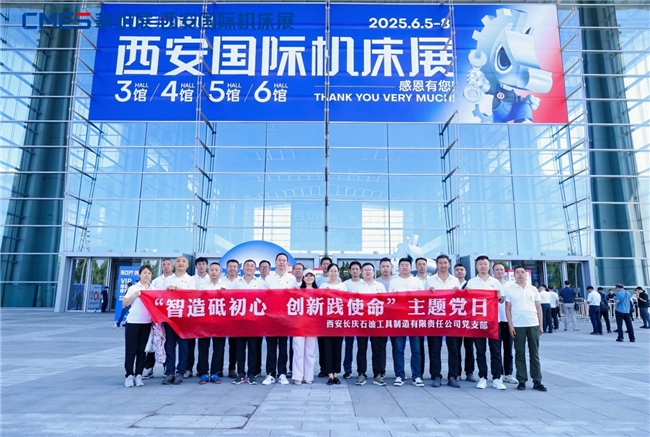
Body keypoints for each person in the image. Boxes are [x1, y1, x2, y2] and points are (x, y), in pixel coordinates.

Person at [466, 256, 506, 390]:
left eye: (485, 264)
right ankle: (482, 377)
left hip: (493, 321)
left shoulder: (495, 282)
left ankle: (497, 378)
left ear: (489, 266)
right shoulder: (471, 282)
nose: (483, 266)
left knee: (496, 350)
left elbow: (502, 299)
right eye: (480, 264)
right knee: (480, 350)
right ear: (476, 266)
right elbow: (467, 301)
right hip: (478, 321)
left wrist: (500, 297)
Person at [504, 266, 547, 392]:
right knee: (519, 353)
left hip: (533, 323)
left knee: (534, 353)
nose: (520, 274)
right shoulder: (509, 289)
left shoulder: (533, 289)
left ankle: (537, 380)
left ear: (526, 274)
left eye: (522, 272)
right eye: (517, 272)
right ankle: (522, 380)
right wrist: (510, 325)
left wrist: (541, 325)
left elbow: (538, 308)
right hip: (518, 325)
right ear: (514, 275)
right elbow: (508, 308)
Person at [347, 263, 388, 386]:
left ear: (374, 272)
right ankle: (361, 374)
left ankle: (378, 374)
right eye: (365, 270)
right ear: (362, 272)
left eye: (370, 269)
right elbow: (352, 304)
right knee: (361, 349)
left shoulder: (380, 286)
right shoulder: (356, 287)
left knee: (377, 349)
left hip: (377, 323)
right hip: (362, 323)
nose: (368, 272)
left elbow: (386, 304)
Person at [158, 256, 194, 385]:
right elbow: (160, 297)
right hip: (169, 317)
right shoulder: (167, 280)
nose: (181, 263)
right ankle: (169, 372)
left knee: (184, 347)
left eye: (184, 262)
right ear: (174, 265)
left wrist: (177, 289)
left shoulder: (191, 280)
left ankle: (180, 372)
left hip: (184, 318)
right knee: (169, 346)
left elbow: (193, 295)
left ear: (187, 265)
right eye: (178, 261)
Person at [388, 258, 424, 387]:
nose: (404, 267)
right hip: (399, 320)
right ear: (398, 267)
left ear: (411, 267)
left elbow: (423, 299)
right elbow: (390, 300)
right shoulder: (394, 282)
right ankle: (399, 375)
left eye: (407, 265)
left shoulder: (417, 281)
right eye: (402, 265)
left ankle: (416, 376)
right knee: (398, 349)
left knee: (416, 350)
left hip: (414, 320)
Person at [426, 255, 461, 388]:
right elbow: (424, 299)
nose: (443, 265)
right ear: (437, 265)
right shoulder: (430, 280)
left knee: (454, 349)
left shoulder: (455, 280)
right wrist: (429, 292)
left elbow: (461, 299)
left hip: (452, 320)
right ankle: (436, 375)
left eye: (445, 263)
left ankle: (452, 376)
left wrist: (459, 292)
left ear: (449, 264)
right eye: (440, 263)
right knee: (435, 349)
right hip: (435, 320)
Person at [263, 253, 298, 385]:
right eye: (279, 260)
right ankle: (270, 373)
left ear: (287, 263)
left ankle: (282, 373)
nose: (282, 262)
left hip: (285, 318)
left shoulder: (292, 278)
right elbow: (263, 296)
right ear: (275, 262)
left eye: (284, 260)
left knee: (283, 347)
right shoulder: (269, 278)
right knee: (271, 346)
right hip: (271, 317)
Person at [234, 259, 267, 385]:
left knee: (253, 348)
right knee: (240, 348)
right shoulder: (237, 282)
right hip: (240, 320)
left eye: (252, 266)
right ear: (243, 268)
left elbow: (265, 299)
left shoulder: (260, 283)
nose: (249, 268)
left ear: (255, 269)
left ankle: (252, 373)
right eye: (247, 265)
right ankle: (240, 373)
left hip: (255, 321)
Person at [143, 257, 174, 379]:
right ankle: (148, 367)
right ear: (161, 267)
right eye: (164, 264)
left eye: (168, 264)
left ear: (172, 266)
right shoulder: (156, 281)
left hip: (170, 316)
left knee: (168, 342)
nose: (166, 266)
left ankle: (167, 367)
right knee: (153, 341)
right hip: (156, 317)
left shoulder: (176, 280)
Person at [196, 262, 227, 385]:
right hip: (204, 320)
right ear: (208, 271)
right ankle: (203, 373)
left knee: (219, 348)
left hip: (220, 321)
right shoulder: (202, 285)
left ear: (220, 272)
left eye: (216, 270)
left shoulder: (226, 285)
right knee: (203, 348)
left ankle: (215, 373)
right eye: (212, 270)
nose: (214, 272)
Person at [123, 265, 153, 388]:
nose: (147, 275)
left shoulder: (153, 289)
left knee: (142, 351)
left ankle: (138, 375)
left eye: (149, 273)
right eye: (144, 273)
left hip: (147, 323)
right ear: (139, 274)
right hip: (133, 322)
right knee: (131, 350)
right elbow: (125, 303)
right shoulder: (133, 288)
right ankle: (129, 375)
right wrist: (135, 295)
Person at [320, 263, 347, 385]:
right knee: (327, 347)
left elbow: (346, 301)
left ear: (338, 272)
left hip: (339, 321)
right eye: (331, 271)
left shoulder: (343, 286)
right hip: (326, 321)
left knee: (337, 347)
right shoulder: (323, 285)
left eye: (335, 271)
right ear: (328, 272)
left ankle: (336, 374)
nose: (333, 273)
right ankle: (330, 374)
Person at [185, 257, 211, 379]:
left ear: (206, 266)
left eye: (203, 264)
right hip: (192, 315)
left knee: (203, 345)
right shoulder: (190, 280)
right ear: (195, 266)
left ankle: (202, 369)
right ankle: (188, 368)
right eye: (199, 264)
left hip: (206, 316)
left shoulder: (211, 280)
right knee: (189, 344)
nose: (201, 266)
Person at [292, 269, 318, 385]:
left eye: (311, 276)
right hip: (299, 324)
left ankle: (308, 376)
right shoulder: (297, 291)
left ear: (314, 278)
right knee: (298, 350)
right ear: (303, 278)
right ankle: (298, 376)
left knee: (310, 351)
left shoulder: (319, 292)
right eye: (306, 276)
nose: (309, 278)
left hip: (313, 325)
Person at [492, 263, 517, 385]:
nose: (499, 271)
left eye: (501, 269)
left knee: (508, 348)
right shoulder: (490, 284)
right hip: (494, 321)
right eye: (497, 270)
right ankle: (498, 374)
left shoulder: (511, 286)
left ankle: (508, 373)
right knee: (496, 350)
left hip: (508, 321)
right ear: (493, 271)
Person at [454, 264, 477, 383]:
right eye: (457, 270)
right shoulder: (451, 284)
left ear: (465, 271)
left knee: (469, 348)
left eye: (461, 269)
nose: (459, 271)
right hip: (455, 321)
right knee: (455, 348)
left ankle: (469, 372)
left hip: (468, 321)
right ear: (454, 271)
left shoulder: (471, 284)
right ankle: (457, 372)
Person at [342, 261, 362, 379]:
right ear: (350, 271)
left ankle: (361, 370)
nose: (355, 271)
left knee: (361, 346)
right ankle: (347, 369)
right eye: (353, 269)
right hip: (349, 319)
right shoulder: (345, 284)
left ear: (360, 271)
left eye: (357, 269)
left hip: (361, 320)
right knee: (348, 346)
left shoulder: (364, 284)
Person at [221, 259, 241, 379]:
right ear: (226, 268)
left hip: (237, 317)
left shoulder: (242, 282)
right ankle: (218, 369)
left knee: (234, 344)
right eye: (230, 266)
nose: (232, 268)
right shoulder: (220, 281)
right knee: (220, 343)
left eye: (234, 266)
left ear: (238, 268)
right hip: (222, 316)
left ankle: (232, 368)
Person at [415, 257, 430, 379]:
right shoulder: (412, 281)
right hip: (417, 317)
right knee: (418, 346)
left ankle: (434, 373)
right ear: (415, 267)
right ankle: (419, 372)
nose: (422, 266)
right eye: (419, 264)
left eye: (424, 264)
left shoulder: (433, 280)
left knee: (433, 346)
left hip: (432, 316)